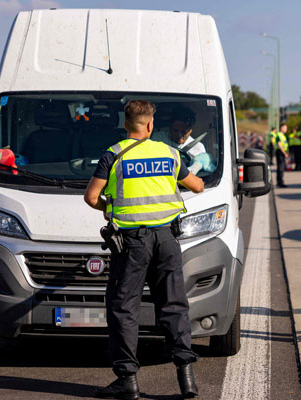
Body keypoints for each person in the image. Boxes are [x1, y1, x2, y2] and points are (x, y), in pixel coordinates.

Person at [84, 100, 203, 399]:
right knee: (174, 305)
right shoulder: (169, 153)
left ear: (125, 125)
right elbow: (198, 186)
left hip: (132, 244)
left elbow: (91, 197)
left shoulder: (113, 154)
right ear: (150, 125)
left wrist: (108, 206)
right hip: (167, 240)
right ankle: (186, 378)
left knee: (125, 309)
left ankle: (127, 381)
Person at [275, 123, 289, 188]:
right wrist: (284, 153)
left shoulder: (283, 135)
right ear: (282, 128)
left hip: (282, 152)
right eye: (285, 128)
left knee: (281, 167)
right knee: (281, 167)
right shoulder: (279, 135)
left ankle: (280, 182)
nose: (286, 129)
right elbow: (279, 145)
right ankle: (280, 182)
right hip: (280, 152)